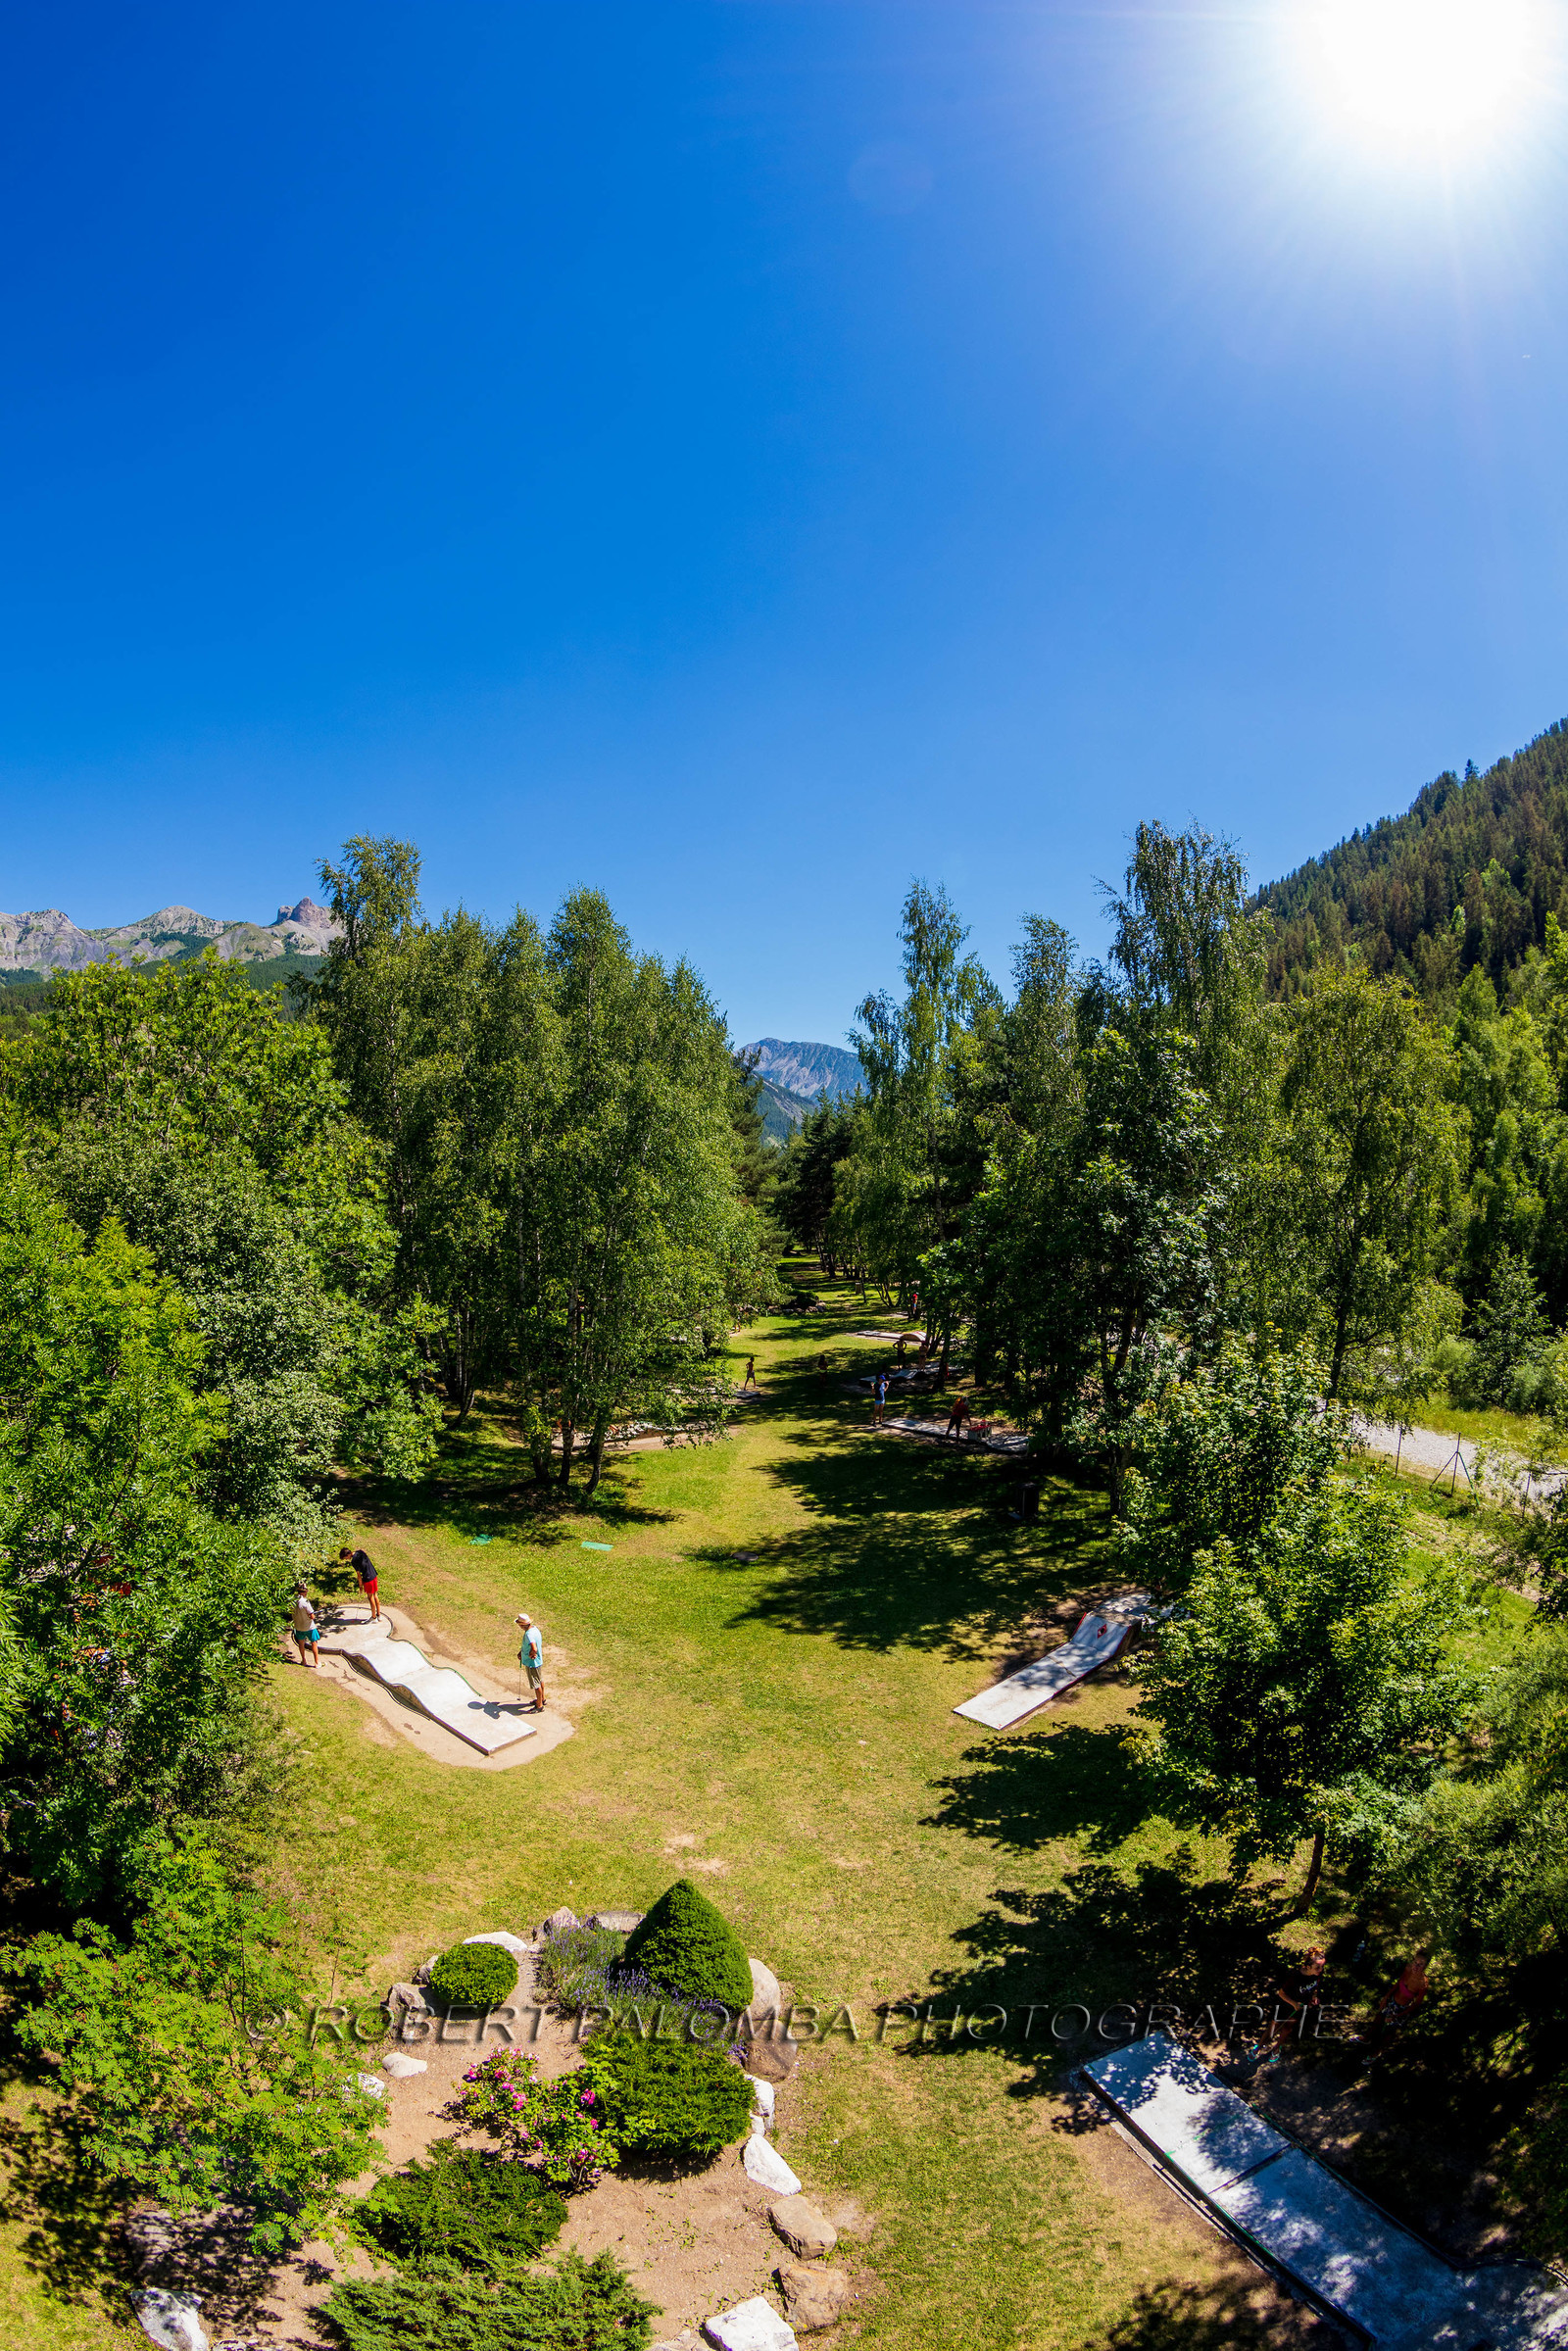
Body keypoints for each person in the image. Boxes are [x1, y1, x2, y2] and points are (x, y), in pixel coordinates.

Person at [515, 1612, 546, 1712]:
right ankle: (542, 1698)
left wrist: (532, 1653)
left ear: (523, 1625)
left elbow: (534, 1647)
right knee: (539, 1680)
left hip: (532, 1663)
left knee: (536, 1684)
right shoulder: (534, 1629)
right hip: (538, 1662)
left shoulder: (529, 1634)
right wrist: (522, 1651)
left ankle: (539, 1705)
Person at [291, 1585, 320, 1668]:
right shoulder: (305, 1602)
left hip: (298, 1626)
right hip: (309, 1627)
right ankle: (317, 1663)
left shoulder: (293, 1600)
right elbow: (312, 1616)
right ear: (305, 1591)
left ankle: (303, 1660)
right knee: (314, 1643)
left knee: (301, 1643)